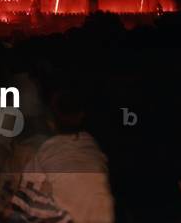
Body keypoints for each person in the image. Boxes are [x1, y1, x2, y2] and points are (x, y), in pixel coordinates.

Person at [6, 91, 114, 223]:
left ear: (51, 120)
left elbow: (23, 202)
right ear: (81, 115)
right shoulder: (93, 148)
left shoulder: (46, 151)